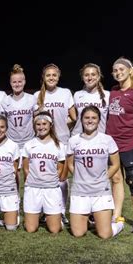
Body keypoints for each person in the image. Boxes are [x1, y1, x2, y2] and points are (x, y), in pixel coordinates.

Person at [106, 57, 133, 233]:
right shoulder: (113, 91)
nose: (118, 72)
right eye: (115, 70)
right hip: (112, 145)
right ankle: (117, 215)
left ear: (130, 70)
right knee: (115, 179)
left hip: (131, 143)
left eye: (121, 69)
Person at [67, 106, 124, 239]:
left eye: (94, 118)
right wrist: (80, 177)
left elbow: (115, 164)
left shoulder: (107, 139)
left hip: (101, 192)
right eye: (87, 118)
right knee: (78, 233)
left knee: (105, 235)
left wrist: (104, 178)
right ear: (81, 120)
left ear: (99, 120)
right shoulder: (73, 140)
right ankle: (91, 219)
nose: (90, 121)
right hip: (80, 191)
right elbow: (70, 163)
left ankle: (119, 224)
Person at [34, 63, 76, 224]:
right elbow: (35, 118)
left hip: (62, 140)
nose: (51, 78)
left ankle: (61, 211)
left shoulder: (65, 93)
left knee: (62, 178)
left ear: (58, 77)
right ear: (43, 78)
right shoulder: (38, 95)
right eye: (48, 75)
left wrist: (60, 125)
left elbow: (73, 117)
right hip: (44, 142)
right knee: (45, 177)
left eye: (54, 75)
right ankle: (46, 211)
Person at [22, 112, 65, 233]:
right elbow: (26, 168)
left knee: (54, 229)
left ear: (50, 125)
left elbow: (60, 168)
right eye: (38, 124)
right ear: (34, 126)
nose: (41, 127)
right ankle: (39, 215)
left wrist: (51, 180)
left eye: (44, 124)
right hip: (33, 188)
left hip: (51, 189)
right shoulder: (29, 145)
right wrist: (31, 181)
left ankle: (56, 218)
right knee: (30, 229)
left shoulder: (59, 146)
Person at [2, 64, 36, 153]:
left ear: (24, 82)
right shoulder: (5, 100)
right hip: (11, 143)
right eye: (14, 82)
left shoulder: (32, 99)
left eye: (20, 81)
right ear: (10, 83)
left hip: (29, 142)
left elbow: (37, 120)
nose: (17, 84)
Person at [72, 63, 109, 136]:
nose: (90, 78)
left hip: (100, 138)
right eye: (86, 75)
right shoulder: (77, 95)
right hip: (79, 137)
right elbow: (74, 118)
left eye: (93, 74)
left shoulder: (107, 95)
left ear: (98, 77)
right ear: (82, 77)